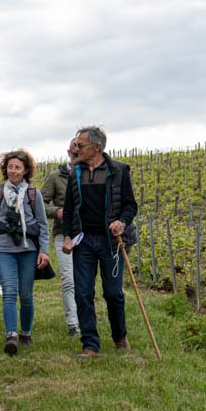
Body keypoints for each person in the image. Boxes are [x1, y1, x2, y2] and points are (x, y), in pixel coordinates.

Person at [62, 126, 139, 359]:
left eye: (80, 145)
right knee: (83, 292)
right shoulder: (75, 174)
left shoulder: (118, 171)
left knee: (113, 293)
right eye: (75, 145)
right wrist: (68, 235)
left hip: (110, 242)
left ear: (96, 147)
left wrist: (121, 222)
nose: (76, 149)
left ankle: (120, 337)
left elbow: (130, 205)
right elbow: (69, 209)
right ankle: (90, 345)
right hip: (84, 241)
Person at [0, 149, 50, 355]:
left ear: (25, 170)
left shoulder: (33, 194)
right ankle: (11, 335)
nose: (13, 171)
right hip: (5, 251)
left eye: (17, 167)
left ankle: (26, 333)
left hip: (28, 250)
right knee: (9, 292)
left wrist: (44, 251)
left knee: (26, 295)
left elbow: (43, 226)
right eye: (10, 167)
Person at [41, 139, 81, 337]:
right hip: (63, 233)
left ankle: (85, 318)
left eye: (81, 152)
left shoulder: (91, 175)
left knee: (84, 279)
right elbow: (40, 202)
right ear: (68, 153)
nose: (77, 156)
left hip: (87, 234)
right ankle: (73, 324)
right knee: (68, 279)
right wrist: (56, 211)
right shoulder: (56, 176)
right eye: (74, 152)